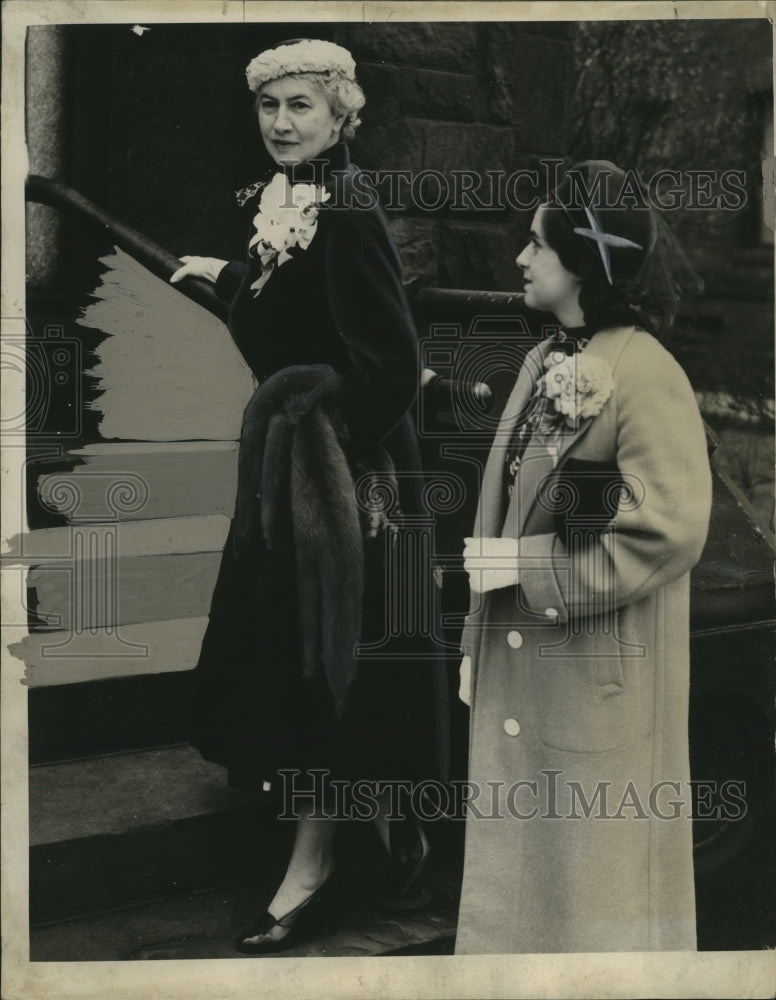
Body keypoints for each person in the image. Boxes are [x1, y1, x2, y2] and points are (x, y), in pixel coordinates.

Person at [171, 38, 446, 953]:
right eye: (269, 106)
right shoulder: (288, 203)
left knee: (333, 664)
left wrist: (314, 417)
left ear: (341, 115)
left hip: (349, 480)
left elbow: (391, 365)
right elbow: (302, 316)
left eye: (301, 106)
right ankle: (380, 830)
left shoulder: (351, 211)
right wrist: (234, 279)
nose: (281, 123)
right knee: (294, 657)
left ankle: (315, 866)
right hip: (299, 469)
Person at [455, 161, 712, 954]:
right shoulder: (543, 363)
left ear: (584, 260)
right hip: (524, 669)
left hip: (598, 683)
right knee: (526, 897)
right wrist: (473, 644)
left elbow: (667, 528)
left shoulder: (645, 375)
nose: (522, 260)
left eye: (538, 244)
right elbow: (503, 499)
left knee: (593, 905)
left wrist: (523, 569)